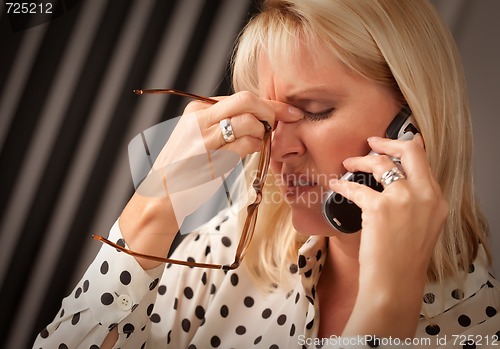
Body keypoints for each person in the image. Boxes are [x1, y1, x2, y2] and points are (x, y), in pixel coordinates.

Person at [34, 0, 499, 348]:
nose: (277, 149)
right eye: (271, 122)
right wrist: (154, 208)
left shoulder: (485, 327)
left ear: (413, 121)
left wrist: (387, 304)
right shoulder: (224, 254)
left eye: (314, 111)